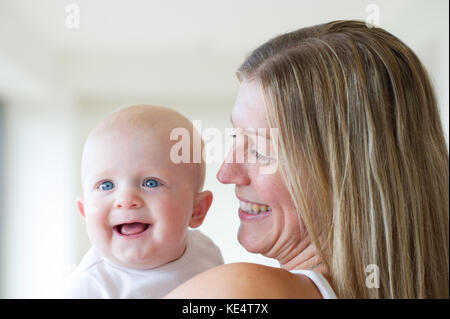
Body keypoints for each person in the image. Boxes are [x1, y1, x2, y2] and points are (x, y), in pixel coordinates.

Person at [166, 20, 449, 298]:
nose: (226, 173)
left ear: (345, 171)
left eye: (260, 150)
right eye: (235, 138)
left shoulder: (242, 290)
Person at [61, 104, 224, 298]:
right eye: (106, 185)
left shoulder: (206, 254)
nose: (126, 200)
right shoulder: (88, 288)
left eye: (151, 182)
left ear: (197, 210)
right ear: (84, 211)